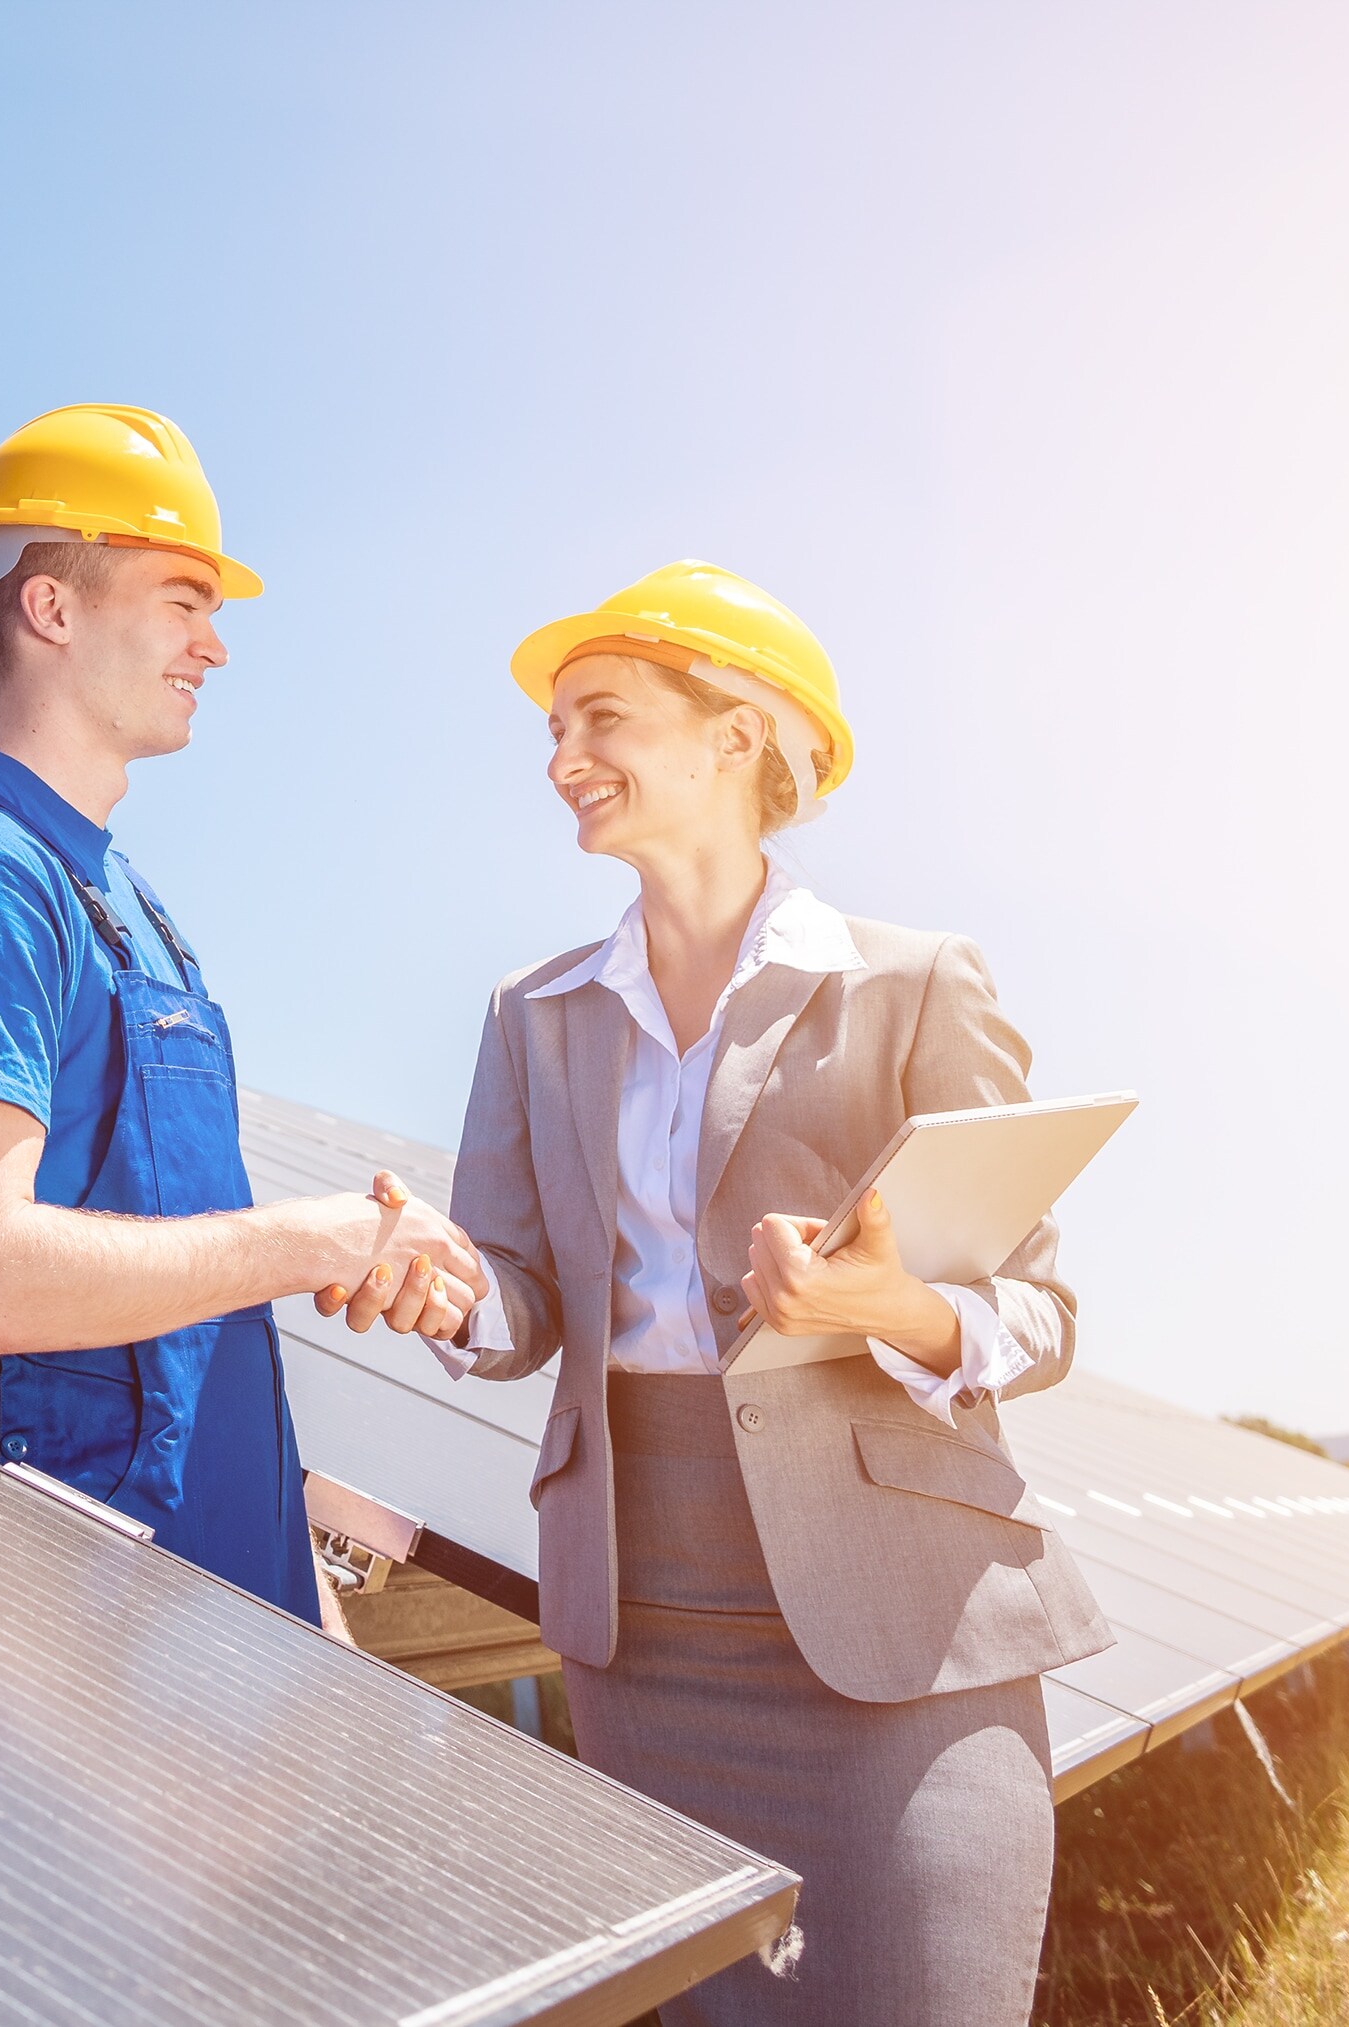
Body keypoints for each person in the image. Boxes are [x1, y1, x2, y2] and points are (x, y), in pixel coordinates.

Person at [439, 561, 1110, 2026]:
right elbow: (519, 1293)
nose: (563, 757)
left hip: (903, 1626)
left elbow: (1039, 1312)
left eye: (601, 716)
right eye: (554, 728)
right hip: (646, 1624)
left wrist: (889, 1306)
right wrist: (445, 1288)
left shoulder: (917, 984)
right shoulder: (532, 1013)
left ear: (736, 734)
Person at [0, 404, 486, 1619]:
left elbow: (180, 1299)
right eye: (185, 600)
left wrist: (297, 1580)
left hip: (214, 1597)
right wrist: (324, 1239)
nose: (217, 645)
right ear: (53, 608)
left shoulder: (129, 902)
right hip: (60, 1618)